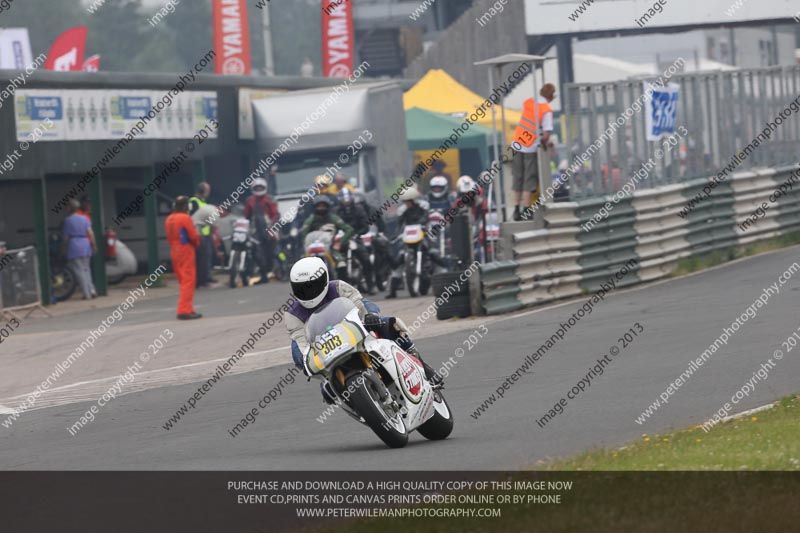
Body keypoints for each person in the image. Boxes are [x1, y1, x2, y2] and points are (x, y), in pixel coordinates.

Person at [285, 257, 442, 404]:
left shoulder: (338, 287)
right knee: (301, 358)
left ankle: (423, 366)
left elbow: (360, 302)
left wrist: (371, 315)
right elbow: (300, 341)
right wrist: (305, 360)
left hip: (351, 328)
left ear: (324, 279)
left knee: (391, 324)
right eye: (302, 288)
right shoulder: (292, 313)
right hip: (322, 347)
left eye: (312, 285)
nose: (308, 292)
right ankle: (329, 381)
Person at [511, 83, 556, 221]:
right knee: (528, 178)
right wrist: (545, 143)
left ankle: (516, 210)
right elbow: (546, 135)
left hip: (517, 143)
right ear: (551, 96)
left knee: (517, 177)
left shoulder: (530, 102)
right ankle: (526, 209)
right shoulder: (546, 110)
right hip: (530, 146)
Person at [386, 188, 429, 299]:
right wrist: (396, 234)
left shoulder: (423, 206)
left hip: (421, 233)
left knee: (432, 252)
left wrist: (422, 224)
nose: (407, 204)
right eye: (405, 202)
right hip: (409, 236)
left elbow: (425, 217)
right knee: (400, 257)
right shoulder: (402, 210)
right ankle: (392, 290)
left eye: (409, 201)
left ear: (414, 200)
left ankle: (436, 274)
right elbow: (399, 224)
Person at [166, 196, 202, 320]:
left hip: (174, 250)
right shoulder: (185, 218)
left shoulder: (169, 218)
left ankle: (188, 308)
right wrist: (197, 243)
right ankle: (183, 310)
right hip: (185, 250)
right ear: (187, 206)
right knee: (188, 281)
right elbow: (192, 235)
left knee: (183, 281)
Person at [301, 196, 355, 272]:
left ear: (327, 207)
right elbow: (304, 234)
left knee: (341, 263)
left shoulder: (334, 218)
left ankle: (343, 281)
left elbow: (349, 230)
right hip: (314, 248)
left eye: (323, 206)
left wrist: (339, 243)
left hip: (332, 246)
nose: (321, 208)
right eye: (319, 206)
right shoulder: (310, 220)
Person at [337, 188, 375, 295]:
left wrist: (358, 233)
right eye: (344, 200)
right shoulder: (337, 211)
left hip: (356, 238)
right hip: (341, 240)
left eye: (348, 200)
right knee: (336, 261)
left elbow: (365, 226)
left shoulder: (359, 209)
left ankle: (370, 285)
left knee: (366, 259)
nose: (346, 202)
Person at [244, 177, 280, 284]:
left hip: (270, 227)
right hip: (256, 229)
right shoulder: (249, 200)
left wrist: (273, 226)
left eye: (261, 188)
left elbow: (275, 214)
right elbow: (247, 216)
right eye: (257, 188)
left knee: (276, 249)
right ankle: (263, 274)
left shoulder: (271, 199)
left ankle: (283, 270)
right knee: (256, 251)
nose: (259, 190)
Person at [62, 199, 97, 300]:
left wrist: (63, 247)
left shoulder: (68, 220)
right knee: (87, 269)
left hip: (74, 245)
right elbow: (90, 232)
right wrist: (94, 245)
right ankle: (92, 290)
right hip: (85, 243)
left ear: (70, 208)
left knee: (79, 270)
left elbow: (66, 237)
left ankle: (86, 293)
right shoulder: (84, 218)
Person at [189, 182, 214, 287]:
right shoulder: (193, 201)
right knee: (200, 258)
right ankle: (201, 280)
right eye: (208, 191)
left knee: (207, 256)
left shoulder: (203, 202)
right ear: (203, 191)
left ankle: (206, 277)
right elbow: (193, 217)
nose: (209, 193)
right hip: (198, 234)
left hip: (205, 233)